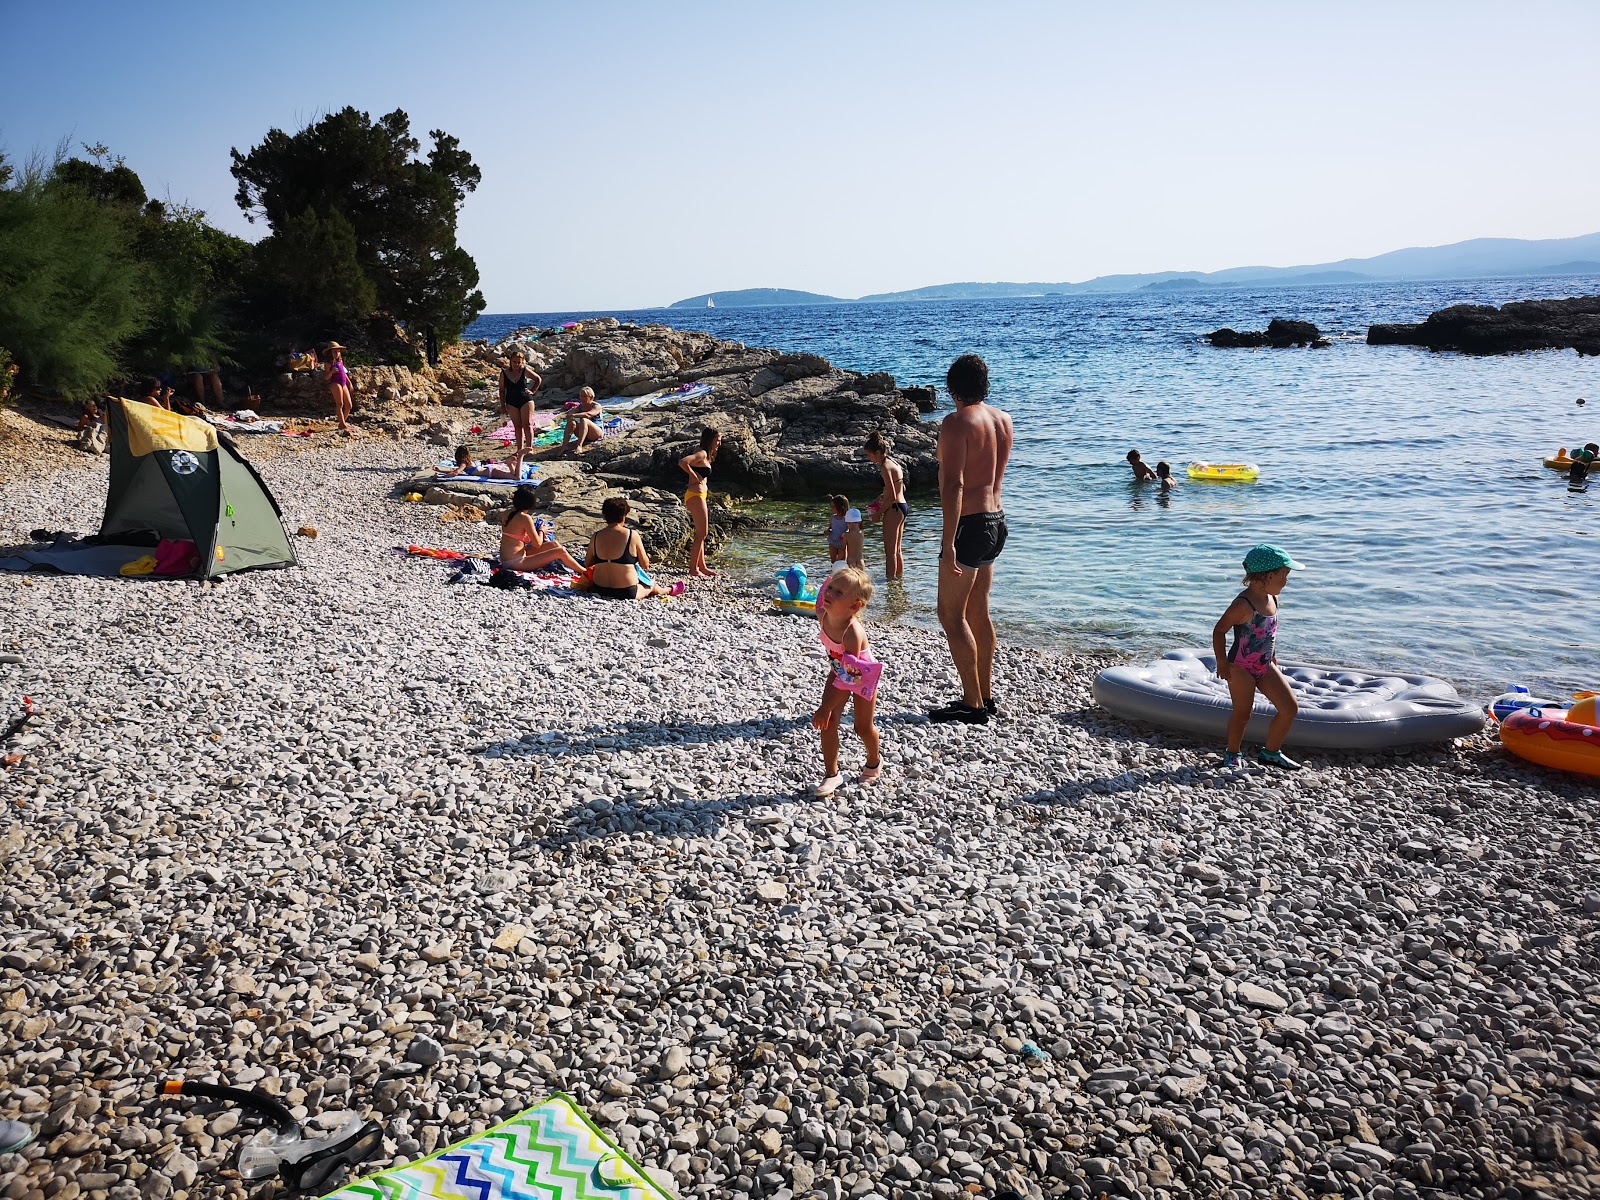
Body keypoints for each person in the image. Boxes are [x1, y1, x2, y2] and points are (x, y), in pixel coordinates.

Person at [931, 354, 1013, 725]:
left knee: (950, 613)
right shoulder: (1003, 420)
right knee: (978, 609)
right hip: (996, 520)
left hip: (970, 525)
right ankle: (985, 694)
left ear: (953, 388)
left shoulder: (955, 422)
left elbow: (954, 484)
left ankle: (972, 703)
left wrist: (948, 541)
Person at [1212, 544, 1304, 770]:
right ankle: (1232, 754)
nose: (1286, 581)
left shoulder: (1272, 598)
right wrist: (1222, 662)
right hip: (1240, 667)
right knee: (1243, 713)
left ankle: (1271, 752)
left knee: (1290, 707)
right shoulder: (1243, 605)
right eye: (1285, 575)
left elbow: (1268, 632)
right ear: (1269, 575)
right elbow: (1219, 631)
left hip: (1263, 664)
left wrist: (1273, 655)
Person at [811, 565, 883, 796]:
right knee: (828, 722)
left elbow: (850, 678)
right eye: (831, 588)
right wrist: (833, 574)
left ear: (854, 606)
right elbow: (820, 597)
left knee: (862, 726)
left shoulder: (852, 632)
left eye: (838, 593)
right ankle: (832, 775)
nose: (829, 593)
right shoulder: (823, 614)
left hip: (861, 676)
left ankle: (874, 763)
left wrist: (825, 707)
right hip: (839, 670)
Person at [585, 495, 681, 600]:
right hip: (626, 591)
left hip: (599, 589)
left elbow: (588, 563)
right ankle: (668, 589)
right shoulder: (631, 535)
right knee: (651, 585)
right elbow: (645, 564)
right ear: (623, 516)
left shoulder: (596, 536)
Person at [498, 485, 583, 574]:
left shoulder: (507, 513)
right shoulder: (525, 518)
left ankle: (576, 567)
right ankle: (584, 572)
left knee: (554, 545)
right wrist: (542, 530)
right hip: (516, 563)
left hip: (507, 559)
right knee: (561, 551)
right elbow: (537, 544)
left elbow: (516, 536)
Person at [864, 430, 908, 580]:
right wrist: (880, 497)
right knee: (897, 550)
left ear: (877, 452)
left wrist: (878, 513)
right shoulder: (892, 462)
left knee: (890, 552)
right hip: (902, 507)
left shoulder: (885, 467)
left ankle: (890, 584)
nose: (868, 458)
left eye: (869, 455)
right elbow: (898, 488)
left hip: (894, 508)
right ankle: (898, 583)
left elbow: (893, 496)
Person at [679, 426, 720, 578]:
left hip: (699, 496)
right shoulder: (701, 453)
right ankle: (693, 569)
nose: (719, 443)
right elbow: (683, 462)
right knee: (703, 533)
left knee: (701, 533)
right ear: (710, 440)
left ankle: (702, 566)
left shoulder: (706, 454)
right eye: (717, 440)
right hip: (695, 496)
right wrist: (693, 475)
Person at [498, 350, 542, 463]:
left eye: (518, 362)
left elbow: (538, 379)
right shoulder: (504, 373)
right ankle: (519, 449)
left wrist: (532, 391)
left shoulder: (524, 371)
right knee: (517, 426)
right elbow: (502, 390)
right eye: (514, 362)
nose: (516, 364)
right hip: (511, 401)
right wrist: (502, 406)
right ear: (510, 361)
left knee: (527, 424)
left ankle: (529, 448)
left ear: (522, 362)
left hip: (525, 399)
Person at [562, 386, 606, 454]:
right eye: (581, 396)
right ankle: (564, 446)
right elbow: (569, 414)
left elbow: (589, 414)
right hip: (584, 433)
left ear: (591, 397)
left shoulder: (596, 406)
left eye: (585, 396)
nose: (582, 398)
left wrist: (574, 415)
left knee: (584, 420)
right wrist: (568, 415)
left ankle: (579, 446)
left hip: (596, 433)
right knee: (572, 422)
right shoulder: (579, 406)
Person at [826, 495, 864, 566]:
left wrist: (844, 535)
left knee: (842, 559)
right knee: (833, 561)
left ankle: (839, 568)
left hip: (842, 541)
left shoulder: (846, 519)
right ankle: (833, 568)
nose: (831, 508)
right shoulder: (832, 518)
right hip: (833, 541)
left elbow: (850, 530)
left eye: (833, 506)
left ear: (840, 507)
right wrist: (828, 531)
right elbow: (830, 527)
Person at [437, 446, 517, 479]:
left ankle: (510, 464)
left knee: (514, 477)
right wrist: (440, 471)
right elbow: (456, 471)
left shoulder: (464, 463)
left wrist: (441, 477)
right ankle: (511, 465)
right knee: (513, 475)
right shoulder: (468, 461)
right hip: (490, 469)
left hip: (490, 472)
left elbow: (456, 473)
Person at [324, 342, 352, 432]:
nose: (337, 354)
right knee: (340, 404)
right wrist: (331, 372)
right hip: (335, 383)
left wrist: (349, 383)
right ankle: (343, 424)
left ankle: (341, 422)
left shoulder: (340, 361)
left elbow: (344, 372)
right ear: (330, 353)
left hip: (343, 382)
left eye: (338, 352)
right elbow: (326, 377)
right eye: (335, 352)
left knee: (349, 405)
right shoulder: (328, 363)